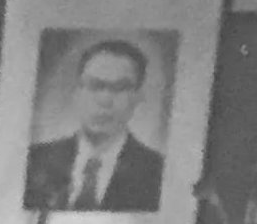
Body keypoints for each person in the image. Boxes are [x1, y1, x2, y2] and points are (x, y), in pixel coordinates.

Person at [24, 39, 165, 213]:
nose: (105, 100)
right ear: (77, 91)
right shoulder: (34, 161)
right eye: (95, 85)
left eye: (120, 88)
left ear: (138, 97)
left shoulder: (158, 172)